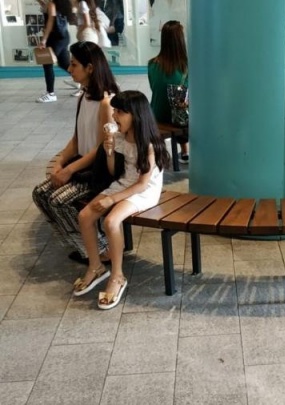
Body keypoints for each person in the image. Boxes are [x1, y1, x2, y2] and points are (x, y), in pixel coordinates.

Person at [75, 90, 170, 310]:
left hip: (144, 191)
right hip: (123, 184)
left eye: (120, 112)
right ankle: (95, 266)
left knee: (110, 221)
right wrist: (109, 151)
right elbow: (113, 172)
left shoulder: (150, 144)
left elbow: (142, 184)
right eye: (115, 110)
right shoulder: (119, 137)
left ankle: (117, 276)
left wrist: (112, 200)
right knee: (85, 216)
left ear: (136, 115)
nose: (114, 116)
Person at [33, 41, 120, 265]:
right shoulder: (84, 96)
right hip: (82, 165)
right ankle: (82, 245)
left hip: (98, 172)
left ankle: (101, 250)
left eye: (74, 65)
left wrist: (69, 169)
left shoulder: (106, 102)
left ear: (90, 68)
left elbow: (102, 148)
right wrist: (60, 163)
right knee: (40, 194)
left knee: (58, 201)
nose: (69, 69)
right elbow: (76, 140)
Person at [148, 20, 189, 162]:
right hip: (180, 119)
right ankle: (185, 152)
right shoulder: (186, 66)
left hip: (156, 115)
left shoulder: (152, 64)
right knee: (183, 104)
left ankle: (162, 153)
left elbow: (153, 87)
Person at [36, 0, 74, 103]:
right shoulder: (58, 3)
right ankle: (85, 82)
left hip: (55, 38)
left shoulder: (52, 4)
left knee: (47, 63)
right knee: (64, 63)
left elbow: (50, 22)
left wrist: (44, 39)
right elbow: (44, 5)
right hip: (63, 36)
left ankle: (50, 93)